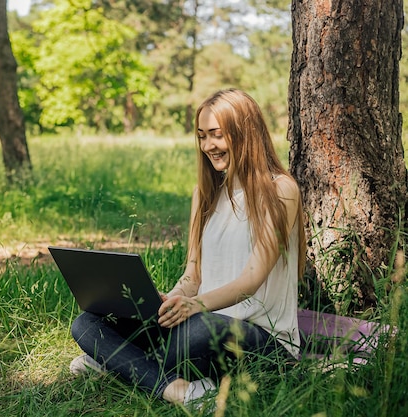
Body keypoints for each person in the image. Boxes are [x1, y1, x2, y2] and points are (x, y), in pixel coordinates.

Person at [69, 88, 306, 409]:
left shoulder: (281, 190)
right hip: (201, 318)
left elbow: (252, 280)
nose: (208, 145)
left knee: (195, 333)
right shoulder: (205, 193)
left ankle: (120, 364)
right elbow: (193, 273)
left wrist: (195, 306)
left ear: (244, 134)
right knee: (86, 323)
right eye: (201, 136)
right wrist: (173, 298)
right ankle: (177, 389)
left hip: (258, 337)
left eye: (217, 135)